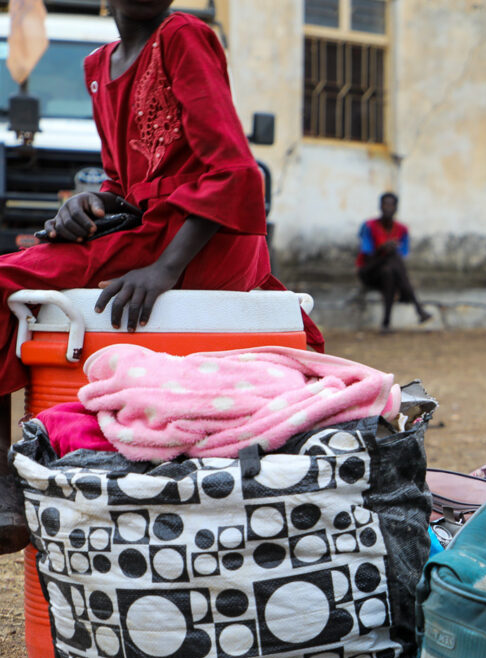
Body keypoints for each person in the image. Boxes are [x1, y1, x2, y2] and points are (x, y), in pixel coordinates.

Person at [0, 1, 323, 552]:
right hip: (150, 226)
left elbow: (231, 169)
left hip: (202, 237)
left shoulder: (183, 36)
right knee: (17, 271)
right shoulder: (100, 66)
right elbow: (125, 182)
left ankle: (5, 485)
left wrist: (164, 270)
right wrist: (89, 205)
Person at [357, 192, 431, 331]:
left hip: (388, 272)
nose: (388, 208)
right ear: (380, 206)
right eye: (386, 204)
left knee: (389, 272)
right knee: (392, 259)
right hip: (369, 271)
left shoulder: (402, 230)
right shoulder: (369, 226)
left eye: (391, 205)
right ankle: (417, 307)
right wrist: (382, 249)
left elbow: (403, 253)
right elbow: (366, 255)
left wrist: (390, 249)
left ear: (396, 208)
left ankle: (386, 323)